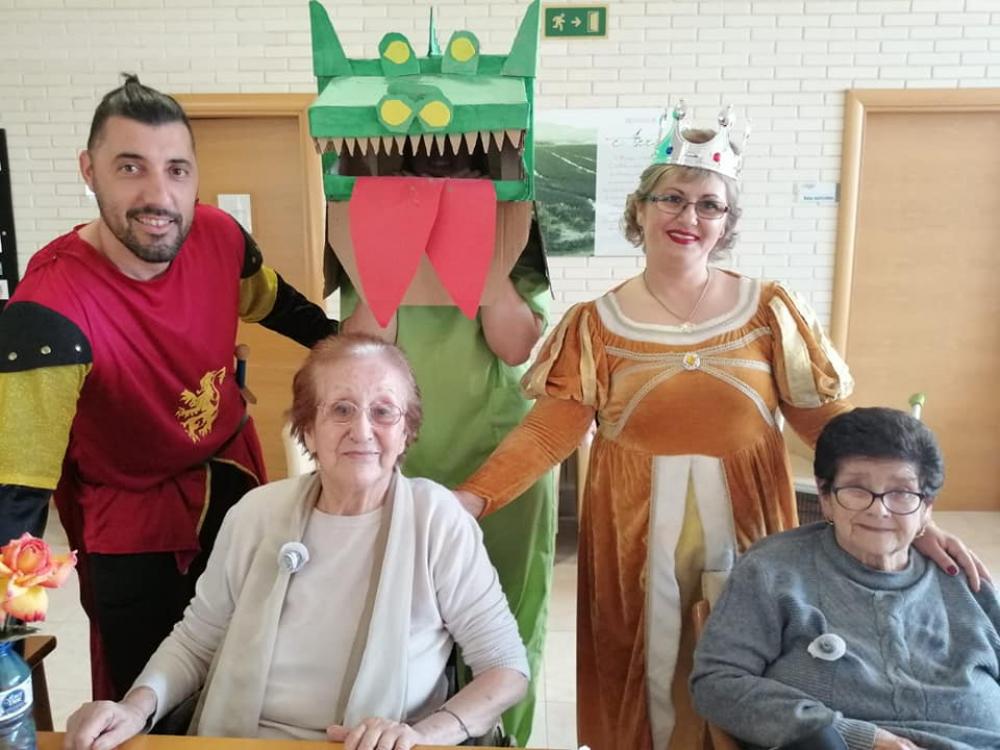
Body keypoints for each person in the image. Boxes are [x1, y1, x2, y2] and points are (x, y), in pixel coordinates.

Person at [455, 106, 988, 750]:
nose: (689, 217)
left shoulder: (767, 310)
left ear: (727, 223)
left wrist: (909, 516)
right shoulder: (595, 323)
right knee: (645, 662)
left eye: (710, 205)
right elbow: (549, 433)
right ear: (640, 210)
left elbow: (830, 428)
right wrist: (472, 499)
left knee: (754, 659)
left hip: (749, 516)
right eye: (672, 199)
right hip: (633, 529)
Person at [0, 74, 337, 701]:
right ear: (89, 171)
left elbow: (277, 305)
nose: (159, 194)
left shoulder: (219, 237)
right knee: (147, 692)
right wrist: (9, 631)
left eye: (176, 170)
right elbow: (17, 494)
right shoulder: (47, 312)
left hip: (228, 478)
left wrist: (348, 350)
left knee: (251, 659)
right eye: (130, 167)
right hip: (128, 520)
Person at [63, 334, 529, 750]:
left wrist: (424, 735)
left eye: (383, 411)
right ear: (308, 429)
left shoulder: (437, 521)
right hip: (240, 741)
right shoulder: (257, 513)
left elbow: (506, 668)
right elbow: (197, 640)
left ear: (406, 431)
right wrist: (134, 708)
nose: (362, 430)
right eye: (341, 409)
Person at [338, 142, 555, 746]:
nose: (438, 178)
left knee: (507, 616)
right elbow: (365, 351)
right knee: (402, 617)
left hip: (500, 464)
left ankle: (505, 739)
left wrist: (476, 243)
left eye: (461, 167)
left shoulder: (514, 239)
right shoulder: (368, 236)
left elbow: (515, 346)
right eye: (419, 166)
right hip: (401, 459)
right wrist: (396, 244)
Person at [691, 407, 1000, 750]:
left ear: (926, 506)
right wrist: (858, 736)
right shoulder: (773, 571)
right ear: (825, 497)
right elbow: (717, 683)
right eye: (856, 489)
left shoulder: (963, 579)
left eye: (901, 492)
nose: (879, 509)